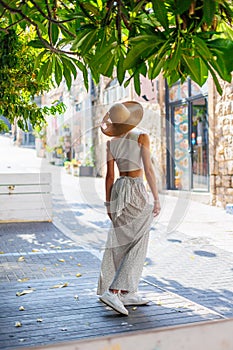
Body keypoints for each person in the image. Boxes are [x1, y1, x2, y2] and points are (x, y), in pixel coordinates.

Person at [97, 101, 161, 316]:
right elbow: (149, 171)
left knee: (120, 241)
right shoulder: (141, 137)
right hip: (135, 190)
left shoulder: (111, 144)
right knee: (139, 239)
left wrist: (109, 204)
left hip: (118, 190)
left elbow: (109, 177)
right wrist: (156, 198)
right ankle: (115, 291)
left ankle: (127, 291)